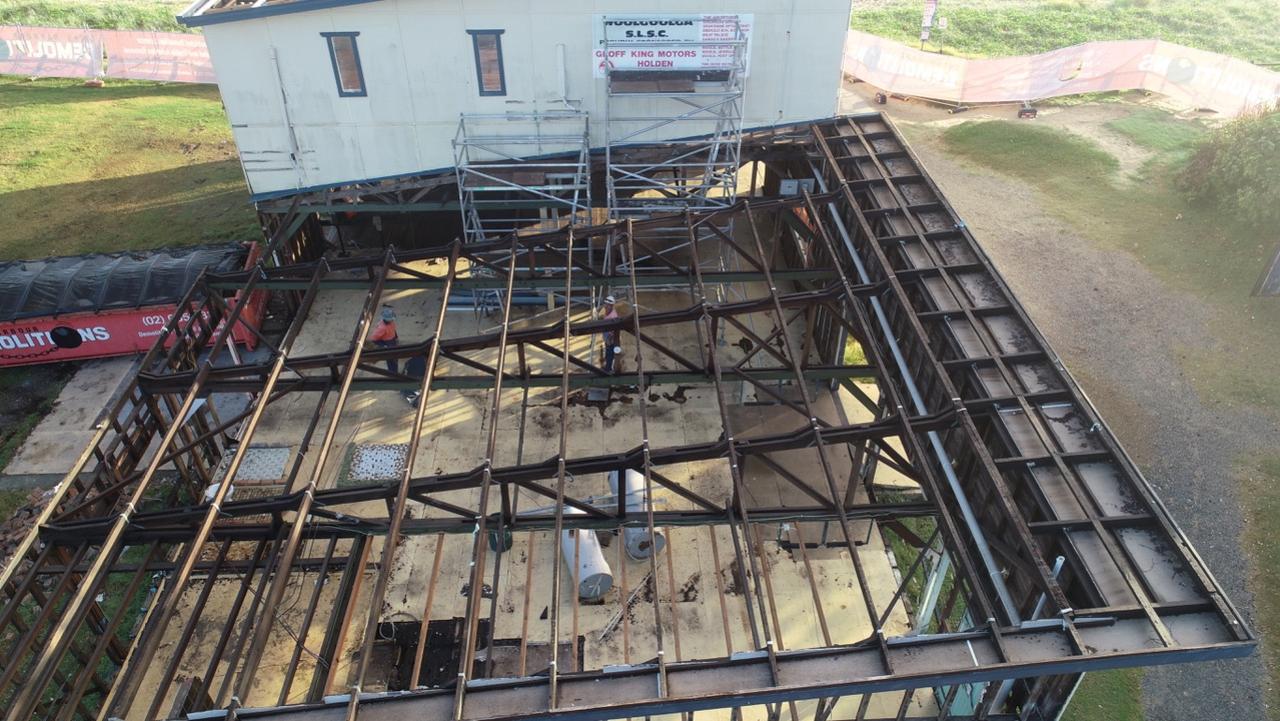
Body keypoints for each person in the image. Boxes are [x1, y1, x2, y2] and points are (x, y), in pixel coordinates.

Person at [369, 304, 400, 373]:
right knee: (390, 358)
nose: (391, 320)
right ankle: (393, 373)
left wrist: (396, 337)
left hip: (392, 340)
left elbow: (393, 329)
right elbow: (374, 339)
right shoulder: (382, 328)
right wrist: (383, 346)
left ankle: (395, 371)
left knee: (395, 357)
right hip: (388, 343)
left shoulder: (391, 322)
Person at [601, 295, 620, 374]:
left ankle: (608, 369)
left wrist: (609, 338)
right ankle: (607, 367)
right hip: (607, 334)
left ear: (611, 306)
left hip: (610, 337)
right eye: (605, 304)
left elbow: (614, 329)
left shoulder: (613, 316)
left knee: (610, 353)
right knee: (608, 352)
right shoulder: (608, 312)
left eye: (607, 305)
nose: (605, 306)